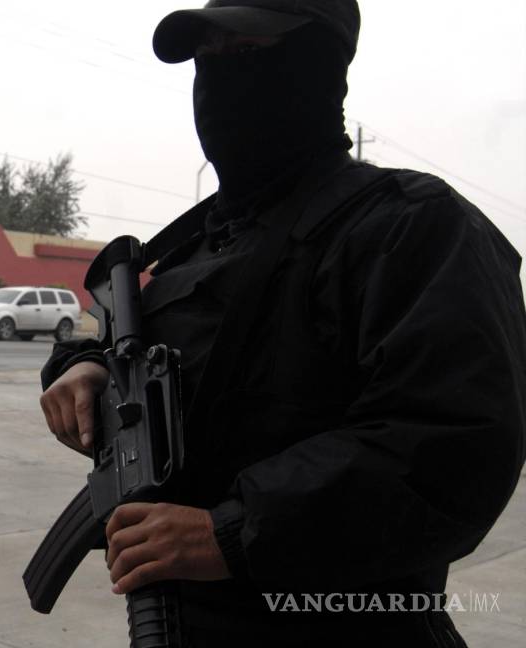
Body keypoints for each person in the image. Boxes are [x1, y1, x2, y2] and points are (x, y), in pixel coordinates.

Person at [38, 1, 526, 645]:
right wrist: (85, 366)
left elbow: (453, 441)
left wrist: (235, 530)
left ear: (317, 64)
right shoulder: (192, 248)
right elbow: (149, 354)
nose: (217, 76)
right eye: (205, 54)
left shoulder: (409, 225)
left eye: (243, 50)